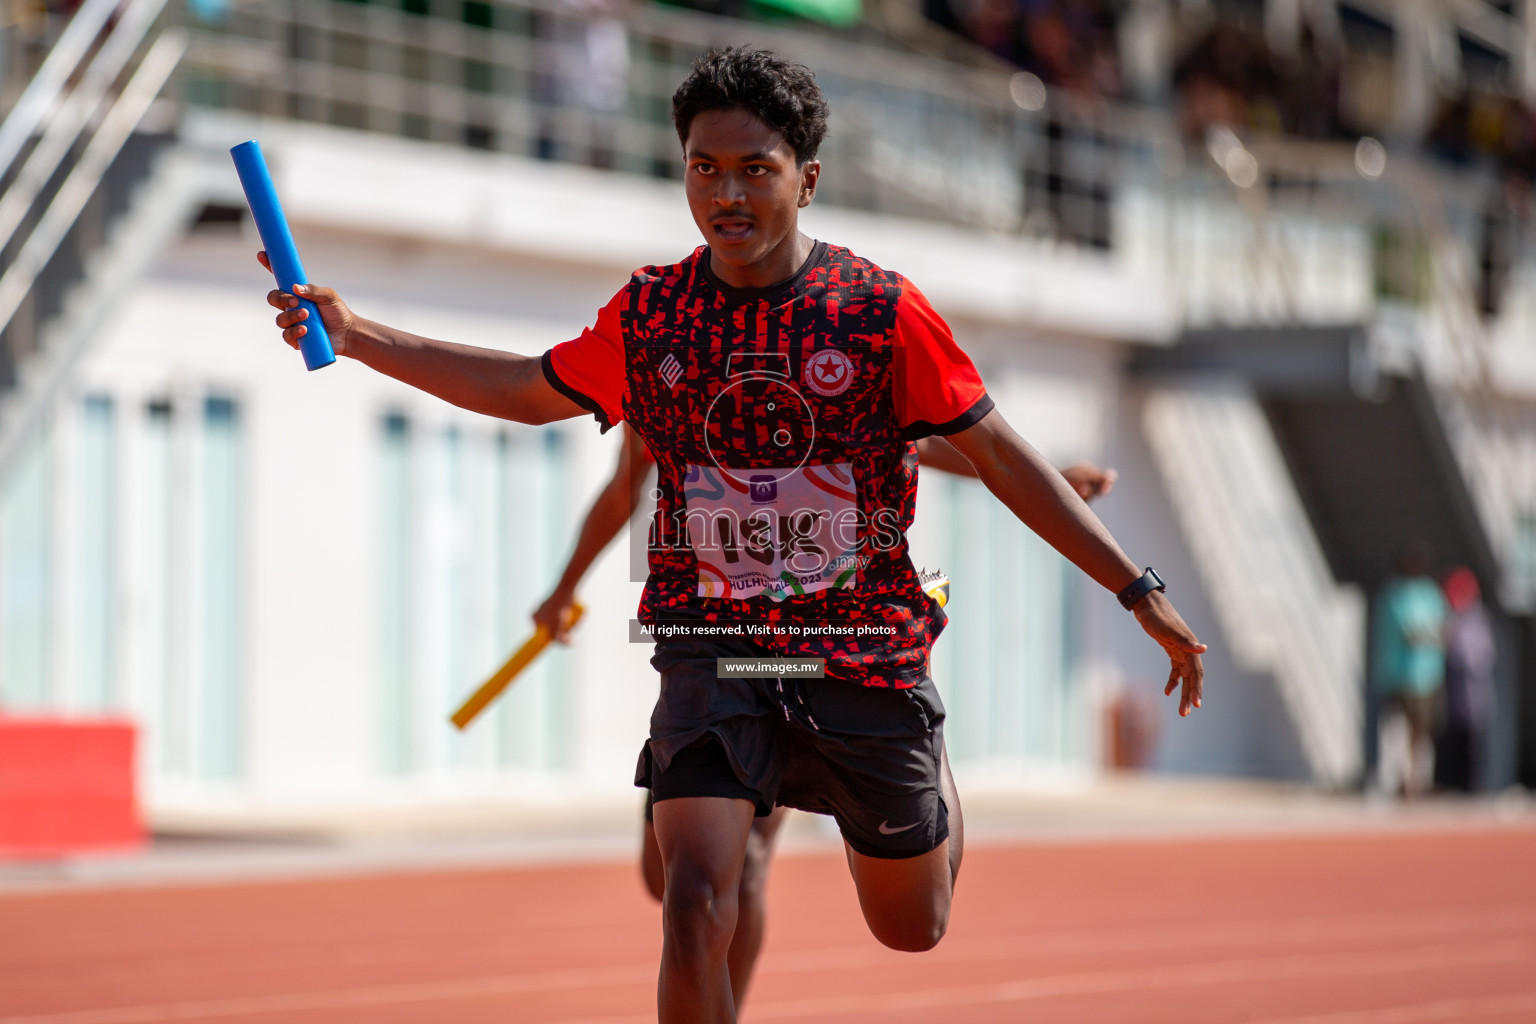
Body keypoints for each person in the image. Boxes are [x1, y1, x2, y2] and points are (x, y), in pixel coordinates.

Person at [258, 46, 1204, 1023]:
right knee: (693, 896)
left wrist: (1141, 591)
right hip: (715, 650)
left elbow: (999, 452)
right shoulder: (654, 316)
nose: (728, 192)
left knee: (911, 924)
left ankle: (928, 770)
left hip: (859, 654)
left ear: (808, 177)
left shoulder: (879, 311)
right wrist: (361, 333)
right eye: (704, 168)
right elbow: (528, 390)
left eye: (756, 168)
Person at [530, 421, 1116, 1012]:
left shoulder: (827, 345)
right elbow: (621, 487)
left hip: (824, 643)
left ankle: (911, 718)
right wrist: (562, 588)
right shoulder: (670, 352)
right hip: (718, 652)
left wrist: (1045, 481)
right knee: (667, 882)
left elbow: (928, 438)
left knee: (745, 865)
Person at [1372, 540, 1448, 798]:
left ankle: (1419, 781)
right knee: (1397, 728)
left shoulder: (1429, 594)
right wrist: (1432, 637)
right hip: (1399, 675)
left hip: (1426, 675)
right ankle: (1397, 781)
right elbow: (1412, 634)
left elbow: (1444, 630)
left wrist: (1433, 637)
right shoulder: (1395, 595)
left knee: (1422, 731)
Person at [1436, 566, 1495, 792]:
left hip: (1474, 698)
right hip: (1451, 700)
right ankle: (1449, 787)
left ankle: (1471, 789)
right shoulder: (1450, 618)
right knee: (1448, 748)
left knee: (1472, 750)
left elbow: (1478, 657)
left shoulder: (1478, 620)